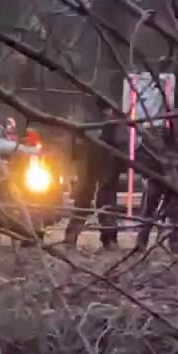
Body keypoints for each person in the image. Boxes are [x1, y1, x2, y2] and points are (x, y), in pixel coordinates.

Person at [63, 100, 125, 249]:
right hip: (105, 167)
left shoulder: (86, 123)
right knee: (106, 202)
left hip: (90, 167)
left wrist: (74, 161)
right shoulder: (113, 124)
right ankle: (109, 239)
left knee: (84, 201)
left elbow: (74, 147)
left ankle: (71, 237)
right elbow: (120, 144)